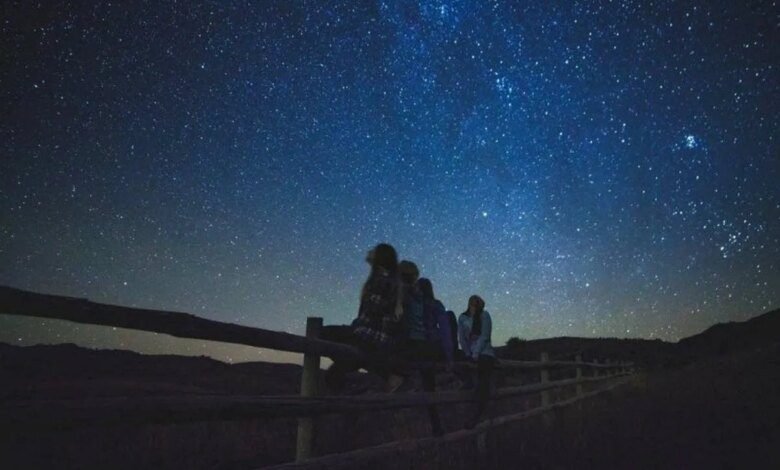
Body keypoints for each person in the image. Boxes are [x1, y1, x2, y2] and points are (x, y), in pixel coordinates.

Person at [324, 243, 405, 393]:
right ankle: (378, 371)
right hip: (373, 336)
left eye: (374, 250)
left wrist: (353, 329)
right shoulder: (387, 280)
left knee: (323, 334)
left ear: (380, 257)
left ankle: (382, 372)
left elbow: (373, 314)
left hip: (370, 337)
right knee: (334, 373)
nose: (369, 251)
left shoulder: (381, 281)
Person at [458, 295, 495, 429]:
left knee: (483, 385)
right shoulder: (462, 318)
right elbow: (462, 338)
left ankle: (475, 417)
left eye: (477, 303)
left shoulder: (484, 316)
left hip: (485, 353)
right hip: (470, 353)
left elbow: (485, 336)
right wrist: (468, 353)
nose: (474, 305)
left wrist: (475, 353)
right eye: (472, 303)